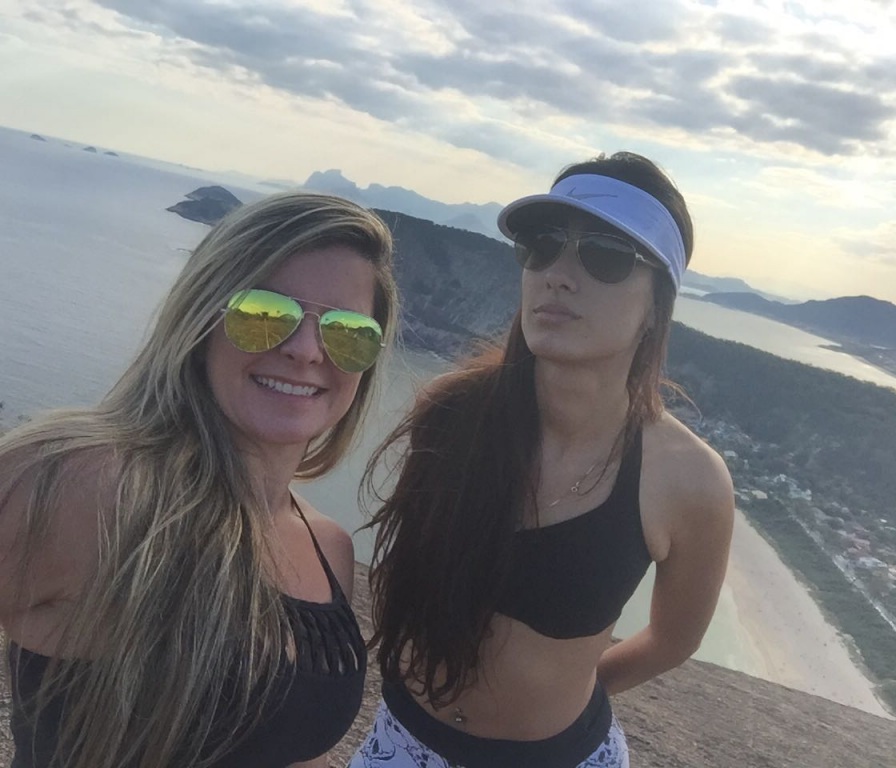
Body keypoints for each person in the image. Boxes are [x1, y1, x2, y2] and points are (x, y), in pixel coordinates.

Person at [350, 152, 735, 768]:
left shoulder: (688, 481)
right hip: (404, 743)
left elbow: (673, 639)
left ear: (656, 307)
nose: (558, 274)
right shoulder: (452, 413)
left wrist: (569, 697)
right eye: (544, 245)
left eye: (605, 256)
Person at [0, 191, 399, 768]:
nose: (307, 350)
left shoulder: (329, 548)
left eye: (348, 331)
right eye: (263, 313)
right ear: (202, 319)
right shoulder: (90, 487)